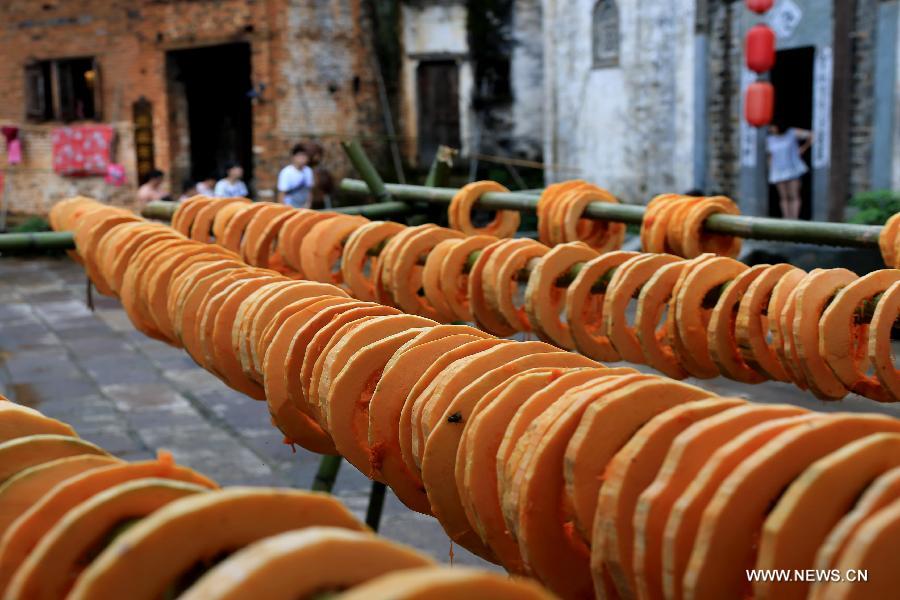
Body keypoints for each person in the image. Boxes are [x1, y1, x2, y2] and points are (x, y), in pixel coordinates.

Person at [767, 123, 813, 220]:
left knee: (794, 195)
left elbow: (811, 135)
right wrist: (771, 169)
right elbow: (770, 156)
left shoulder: (791, 133)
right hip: (778, 171)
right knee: (784, 197)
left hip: (792, 169)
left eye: (772, 126)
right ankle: (786, 218)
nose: (770, 128)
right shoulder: (770, 139)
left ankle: (794, 218)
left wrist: (803, 148)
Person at [277, 144, 315, 208]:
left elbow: (309, 190)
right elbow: (281, 194)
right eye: (300, 156)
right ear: (294, 157)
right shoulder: (286, 172)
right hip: (290, 207)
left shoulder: (308, 171)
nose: (303, 158)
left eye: (305, 156)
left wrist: (308, 205)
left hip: (304, 207)